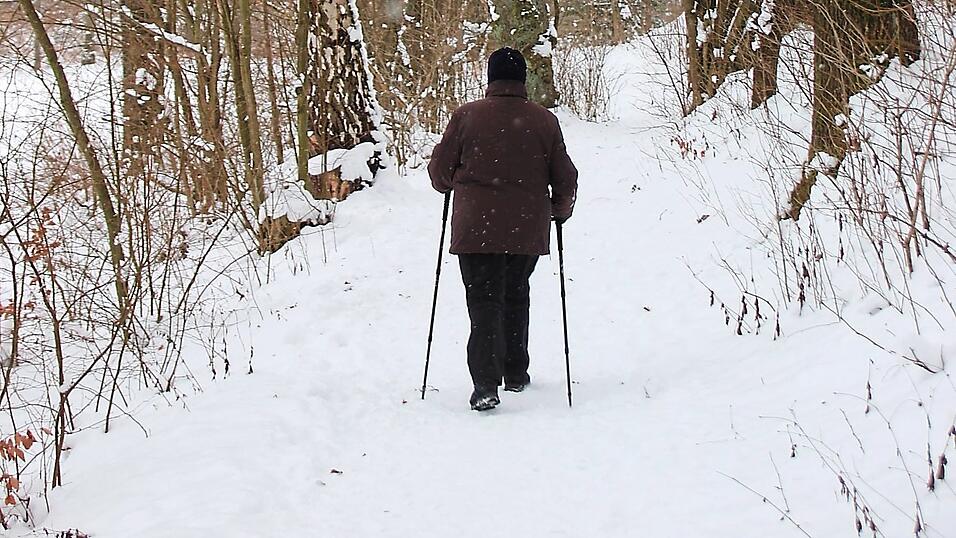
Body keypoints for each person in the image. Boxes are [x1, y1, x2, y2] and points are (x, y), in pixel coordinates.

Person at [428, 47, 579, 411]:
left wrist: (449, 177)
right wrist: (560, 210)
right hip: (526, 229)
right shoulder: (543, 120)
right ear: (523, 80)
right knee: (515, 293)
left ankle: (485, 383)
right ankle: (515, 371)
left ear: (490, 79)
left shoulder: (466, 116)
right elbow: (566, 177)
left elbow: (440, 174)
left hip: (476, 228)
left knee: (484, 300)